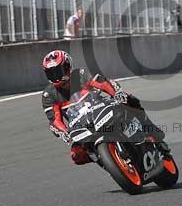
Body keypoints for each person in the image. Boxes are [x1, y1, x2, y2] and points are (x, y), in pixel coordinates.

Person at [40, 50, 168, 165]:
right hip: (82, 127)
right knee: (76, 156)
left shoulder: (81, 74)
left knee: (130, 99)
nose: (55, 77)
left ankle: (153, 133)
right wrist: (65, 133)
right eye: (51, 74)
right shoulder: (49, 95)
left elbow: (103, 83)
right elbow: (55, 121)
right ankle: (106, 160)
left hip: (102, 110)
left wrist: (117, 94)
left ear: (68, 67)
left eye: (58, 72)